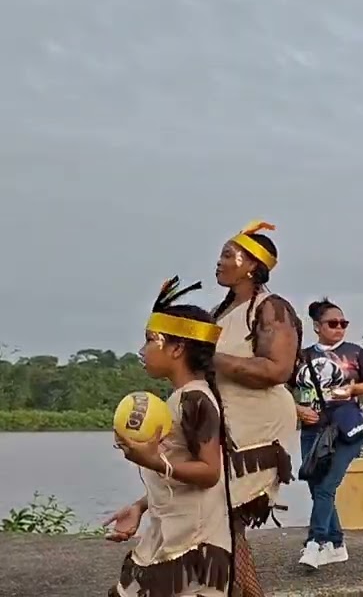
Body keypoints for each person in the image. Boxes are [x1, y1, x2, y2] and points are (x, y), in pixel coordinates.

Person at [106, 277, 236, 597]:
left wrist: (151, 459)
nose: (143, 350)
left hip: (195, 545)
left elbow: (209, 472)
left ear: (177, 348)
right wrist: (141, 506)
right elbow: (179, 466)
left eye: (152, 339)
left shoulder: (196, 399)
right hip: (171, 536)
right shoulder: (179, 399)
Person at [210, 221, 303, 597]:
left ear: (251, 265)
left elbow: (276, 369)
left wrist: (208, 357)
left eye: (227, 255)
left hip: (259, 424)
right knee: (221, 521)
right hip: (225, 420)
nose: (218, 262)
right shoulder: (221, 311)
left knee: (224, 518)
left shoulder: (271, 307)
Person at [293, 297, 363, 569]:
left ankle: (316, 543)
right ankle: (337, 544)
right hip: (312, 430)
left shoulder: (354, 352)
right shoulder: (302, 356)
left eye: (343, 323)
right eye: (333, 324)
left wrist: (353, 390)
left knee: (326, 486)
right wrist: (296, 409)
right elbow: (280, 390)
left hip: (344, 429)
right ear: (317, 326)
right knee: (316, 486)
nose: (339, 328)